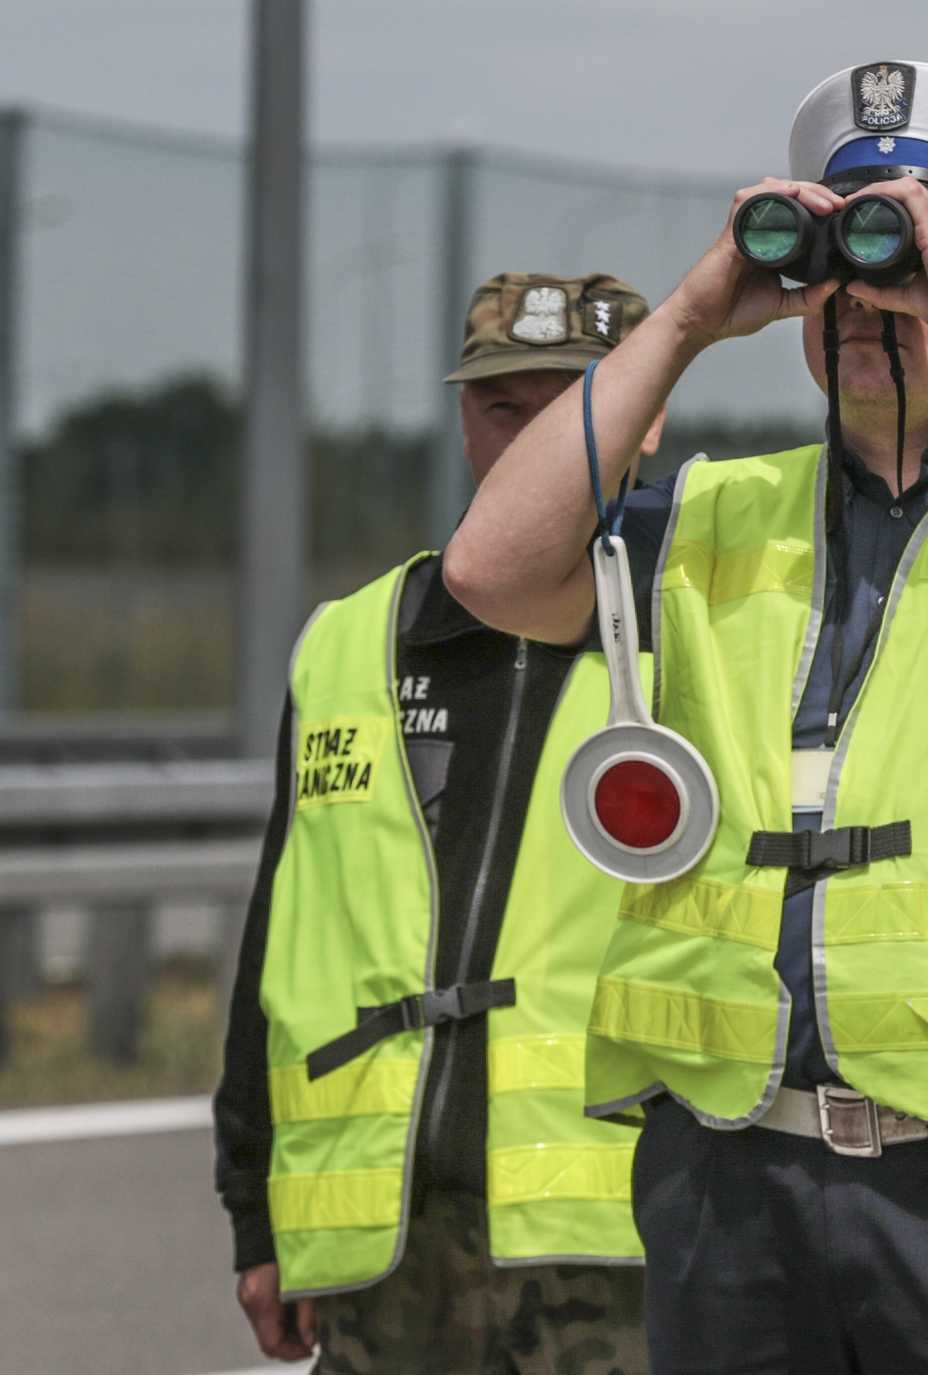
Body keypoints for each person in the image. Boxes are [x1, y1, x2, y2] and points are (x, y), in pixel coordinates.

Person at [444, 63, 928, 1374]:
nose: (869, 299)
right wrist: (690, 316)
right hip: (724, 1173)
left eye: (912, 254)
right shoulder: (710, 509)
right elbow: (488, 570)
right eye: (849, 262)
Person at [214, 272, 664, 1375]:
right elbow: (284, 933)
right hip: (388, 1241)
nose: (530, 439)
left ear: (647, 420)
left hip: (621, 1236)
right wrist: (254, 1209)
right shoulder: (354, 639)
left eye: (571, 407)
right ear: (463, 420)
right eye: (502, 407)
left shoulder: (700, 632)